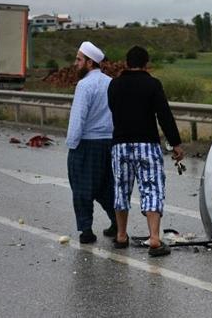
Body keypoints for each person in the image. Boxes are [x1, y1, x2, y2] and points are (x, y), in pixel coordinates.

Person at [107, 46, 184, 257]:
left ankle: (121, 235)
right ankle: (155, 239)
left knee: (121, 189)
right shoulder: (152, 84)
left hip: (120, 146)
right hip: (147, 145)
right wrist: (175, 144)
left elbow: (113, 110)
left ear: (126, 63)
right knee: (151, 189)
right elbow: (164, 116)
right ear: (146, 64)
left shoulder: (114, 85)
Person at [66, 41, 116, 244]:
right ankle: (117, 223)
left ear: (89, 62)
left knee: (82, 187)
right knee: (107, 187)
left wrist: (72, 144)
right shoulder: (111, 82)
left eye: (79, 59)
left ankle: (86, 230)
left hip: (87, 143)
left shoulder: (84, 85)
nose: (76, 63)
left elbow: (78, 118)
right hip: (110, 143)